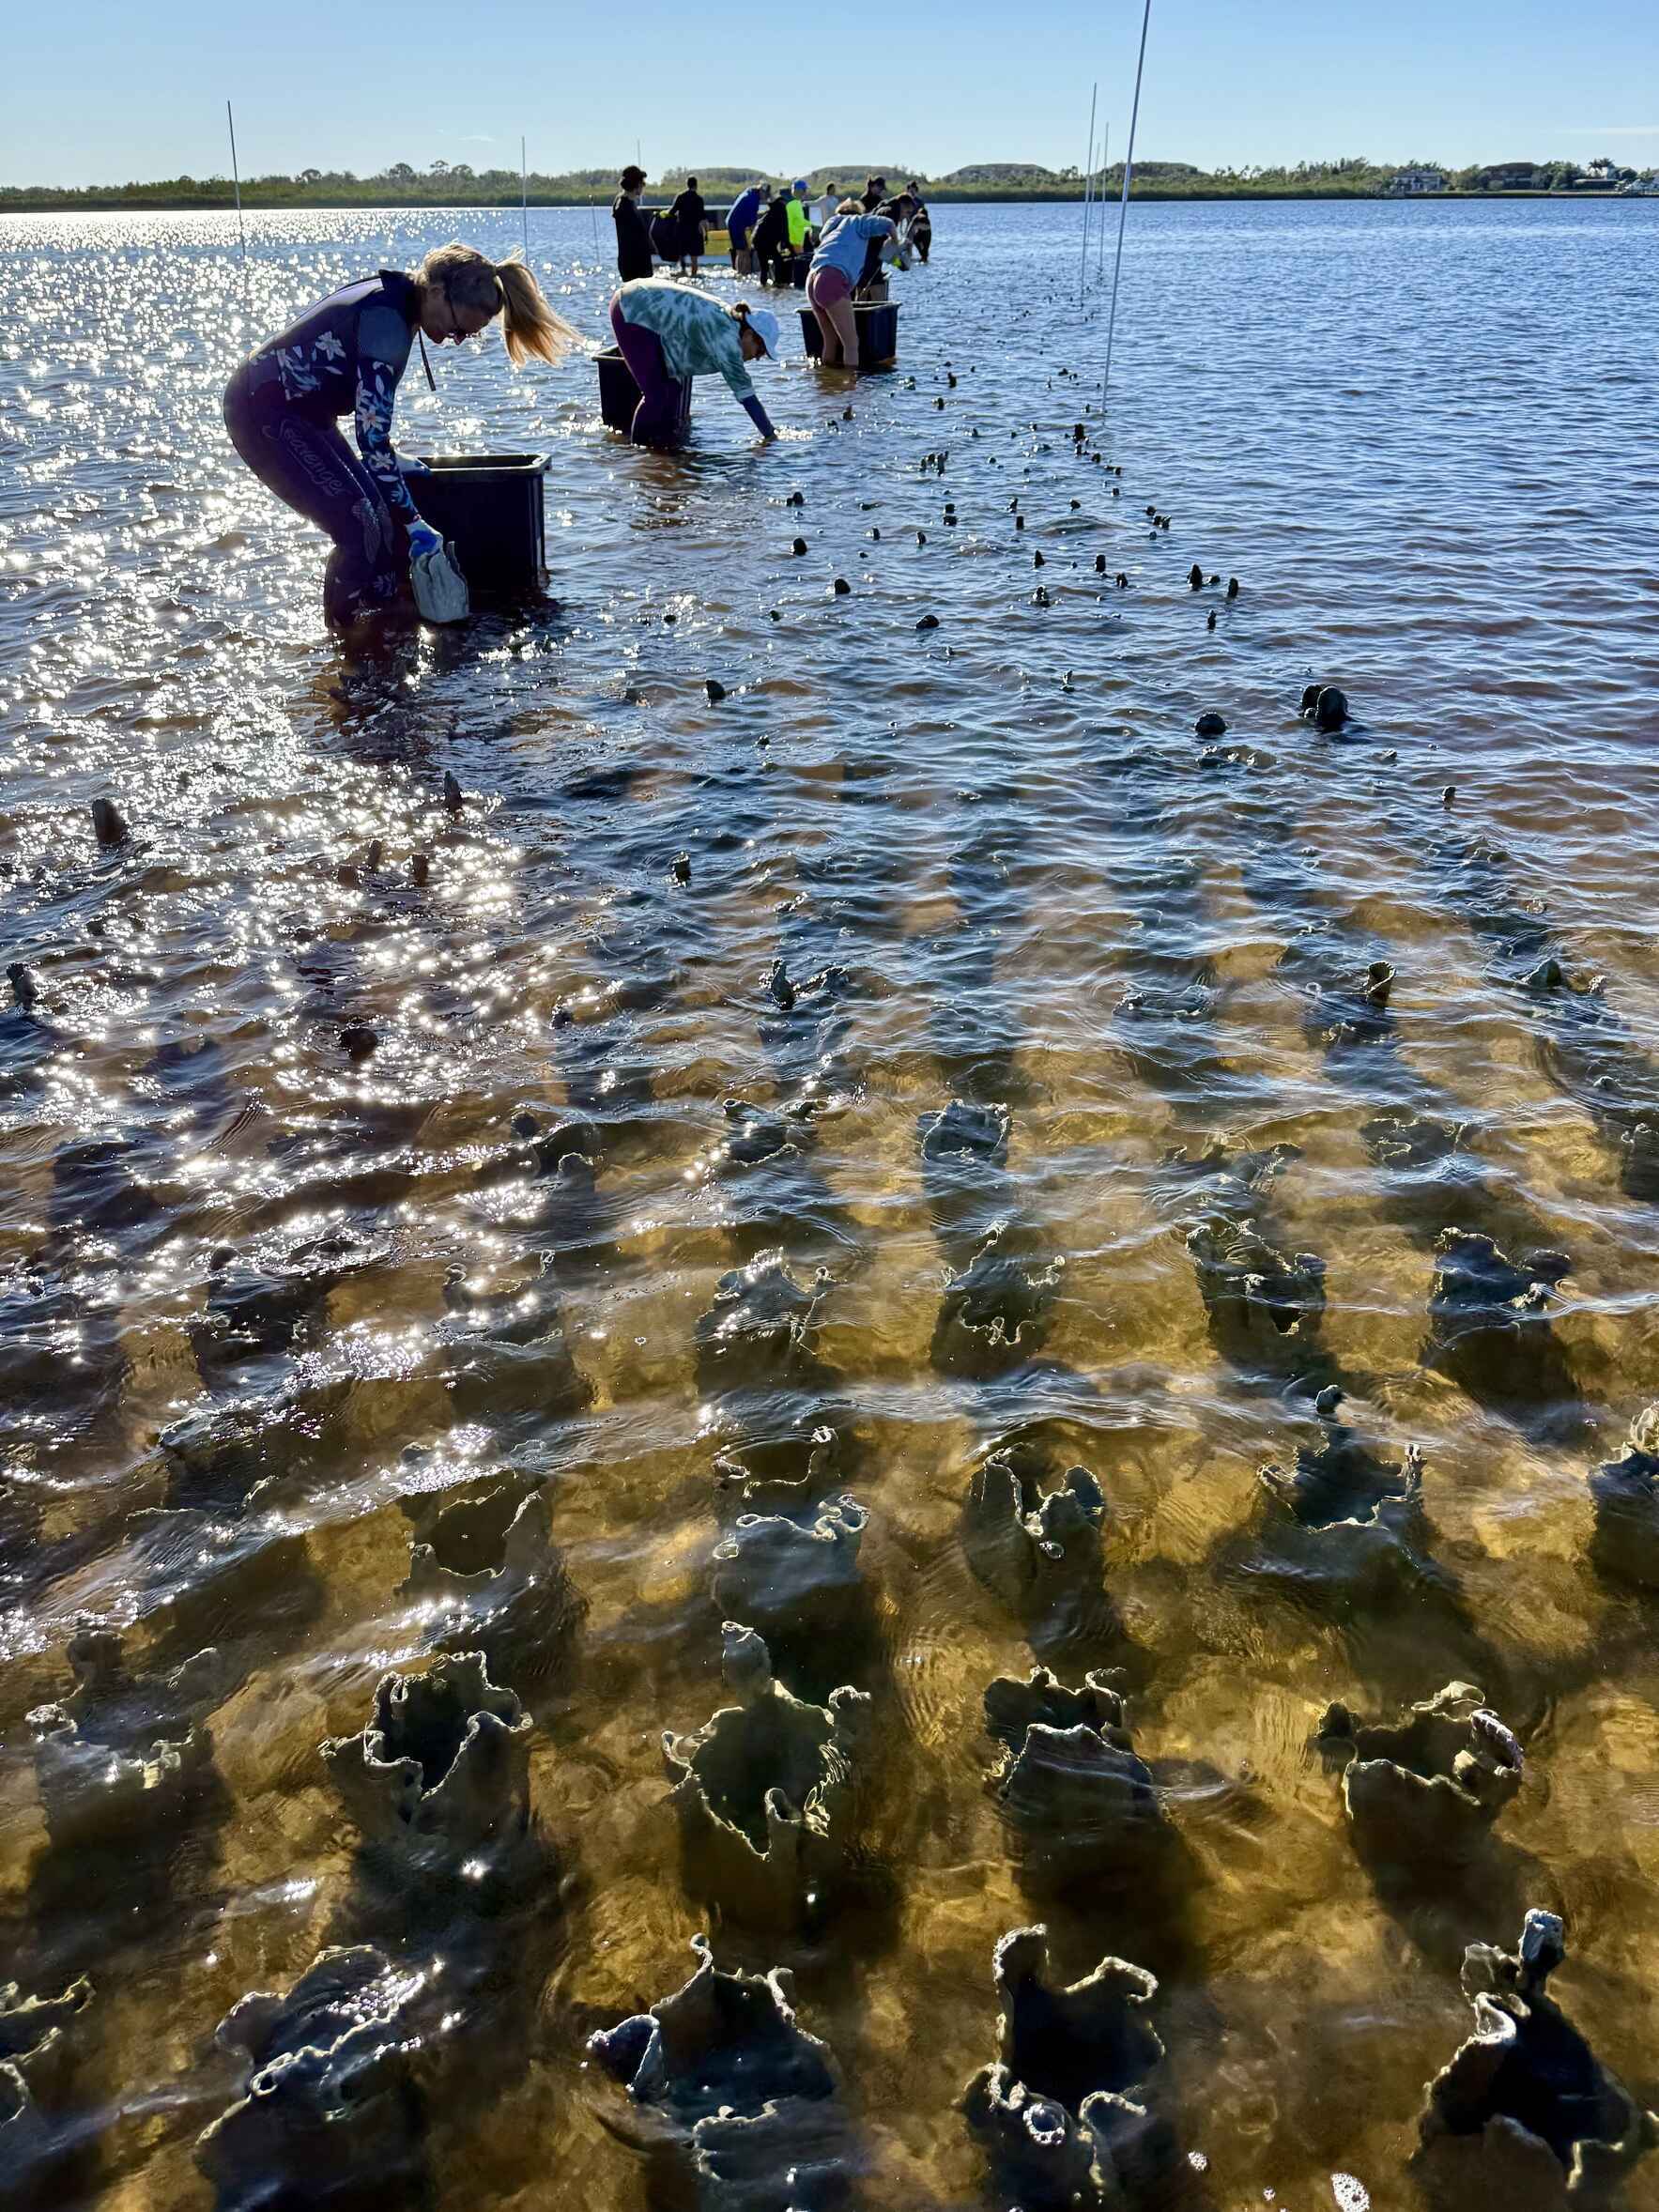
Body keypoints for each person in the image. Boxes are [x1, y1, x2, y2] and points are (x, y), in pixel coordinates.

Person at [223, 244, 581, 631]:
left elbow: (373, 430)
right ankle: (346, 637)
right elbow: (371, 440)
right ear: (437, 293)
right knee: (360, 526)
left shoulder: (402, 302)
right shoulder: (387, 322)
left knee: (377, 516)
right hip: (262, 409)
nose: (457, 339)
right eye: (460, 328)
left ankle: (376, 643)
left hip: (304, 413)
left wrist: (393, 465)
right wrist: (414, 522)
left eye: (469, 336)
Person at [608, 279, 781, 446]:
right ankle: (639, 455)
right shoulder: (726, 340)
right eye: (760, 350)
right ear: (749, 335)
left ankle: (660, 455)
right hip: (631, 306)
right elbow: (747, 397)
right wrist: (771, 437)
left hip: (643, 302)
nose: (758, 357)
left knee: (672, 389)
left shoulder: (729, 324)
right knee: (657, 395)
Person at [806, 200, 898, 369]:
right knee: (851, 343)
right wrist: (895, 241)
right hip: (831, 278)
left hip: (812, 278)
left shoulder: (832, 226)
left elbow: (822, 239)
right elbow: (888, 223)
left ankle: (828, 385)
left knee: (830, 339)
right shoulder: (858, 222)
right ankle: (850, 389)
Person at [612, 164, 654, 282]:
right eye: (642, 183)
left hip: (637, 262)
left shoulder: (626, 201)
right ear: (637, 185)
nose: (643, 186)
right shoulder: (624, 206)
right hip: (634, 264)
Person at [667, 177, 707, 276]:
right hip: (695, 231)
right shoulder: (699, 199)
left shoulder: (680, 196)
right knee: (694, 257)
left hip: (682, 230)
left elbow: (672, 211)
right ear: (696, 185)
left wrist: (664, 213)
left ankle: (683, 270)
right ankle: (694, 273)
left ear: (687, 184)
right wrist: (706, 235)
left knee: (682, 253)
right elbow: (703, 218)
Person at [751, 188, 792, 286]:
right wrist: (791, 249)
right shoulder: (782, 209)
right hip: (765, 241)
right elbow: (784, 232)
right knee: (778, 261)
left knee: (764, 267)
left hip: (757, 239)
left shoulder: (772, 210)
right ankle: (778, 284)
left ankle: (763, 285)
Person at [727, 179, 766, 275]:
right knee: (744, 252)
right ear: (761, 191)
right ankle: (743, 274)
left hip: (734, 223)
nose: (765, 197)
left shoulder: (750, 191)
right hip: (736, 225)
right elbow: (753, 226)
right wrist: (756, 241)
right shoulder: (753, 199)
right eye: (765, 194)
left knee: (741, 251)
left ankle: (740, 273)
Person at [904, 180, 932, 262]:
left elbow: (924, 214)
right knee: (908, 247)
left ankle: (923, 256)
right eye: (911, 190)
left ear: (916, 191)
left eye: (914, 190)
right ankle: (908, 261)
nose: (912, 192)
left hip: (919, 227)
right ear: (908, 191)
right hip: (909, 226)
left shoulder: (920, 201)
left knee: (923, 250)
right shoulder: (905, 201)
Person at [785, 181, 810, 256]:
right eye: (804, 190)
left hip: (793, 239)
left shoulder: (793, 203)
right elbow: (799, 222)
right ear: (799, 190)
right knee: (800, 263)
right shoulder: (795, 204)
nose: (805, 192)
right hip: (795, 240)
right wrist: (812, 225)